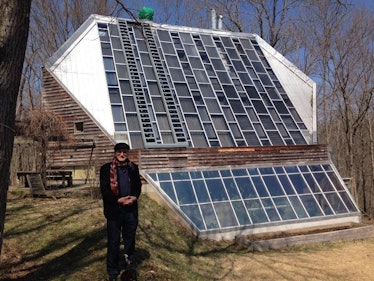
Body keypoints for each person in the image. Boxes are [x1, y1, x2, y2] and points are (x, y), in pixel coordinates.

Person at [100, 143, 142, 281]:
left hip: (130, 209)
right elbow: (105, 190)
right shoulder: (106, 169)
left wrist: (134, 197)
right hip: (114, 211)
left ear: (127, 153)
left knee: (130, 238)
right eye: (119, 152)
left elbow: (138, 185)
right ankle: (112, 269)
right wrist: (118, 200)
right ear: (115, 153)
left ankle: (129, 262)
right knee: (113, 241)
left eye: (124, 152)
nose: (122, 155)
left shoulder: (133, 167)